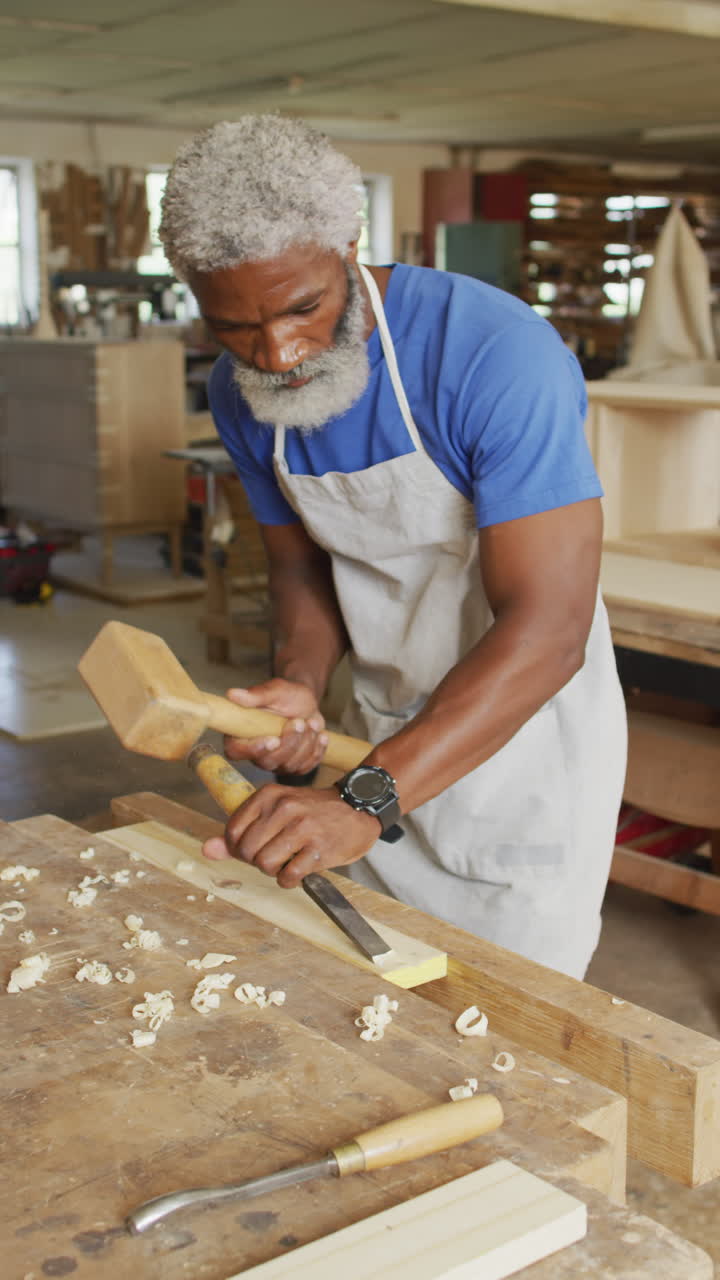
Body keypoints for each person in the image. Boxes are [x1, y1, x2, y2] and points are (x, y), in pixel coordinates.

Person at [159, 115, 627, 979]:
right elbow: (303, 566)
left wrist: (369, 798)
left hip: (517, 748)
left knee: (507, 1025)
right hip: (374, 733)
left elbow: (550, 627)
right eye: (234, 327)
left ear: (349, 243)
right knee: (375, 1002)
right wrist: (298, 689)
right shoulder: (244, 391)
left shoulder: (492, 354)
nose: (280, 354)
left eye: (304, 307)